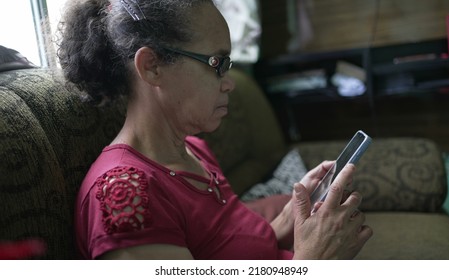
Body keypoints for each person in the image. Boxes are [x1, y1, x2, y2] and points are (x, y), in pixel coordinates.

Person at [57, 0, 372, 260]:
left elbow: (232, 253)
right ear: (151, 66)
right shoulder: (125, 196)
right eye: (216, 62)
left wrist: (292, 216)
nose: (229, 82)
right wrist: (314, 259)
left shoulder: (193, 149)